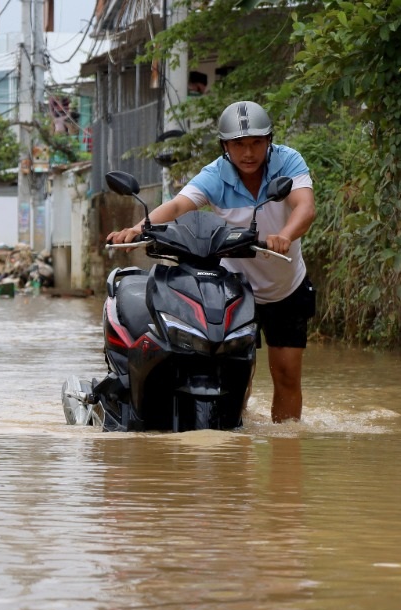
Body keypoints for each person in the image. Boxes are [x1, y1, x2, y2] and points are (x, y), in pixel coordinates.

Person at [107, 100, 317, 422]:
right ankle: (234, 449)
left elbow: (305, 207)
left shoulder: (288, 162)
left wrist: (285, 235)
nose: (248, 153)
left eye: (256, 143)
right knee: (235, 375)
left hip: (285, 289)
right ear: (225, 146)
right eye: (239, 145)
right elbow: (178, 207)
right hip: (237, 290)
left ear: (269, 141)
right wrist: (137, 230)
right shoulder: (215, 175)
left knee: (287, 375)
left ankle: (286, 454)